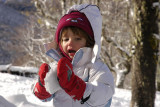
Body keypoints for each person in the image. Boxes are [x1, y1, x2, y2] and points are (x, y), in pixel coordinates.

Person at [33, 4, 115, 107]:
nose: (70, 43)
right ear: (59, 43)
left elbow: (105, 94)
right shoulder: (57, 67)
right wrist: (42, 87)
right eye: (66, 39)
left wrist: (78, 87)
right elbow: (45, 97)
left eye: (77, 39)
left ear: (89, 42)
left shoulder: (96, 66)